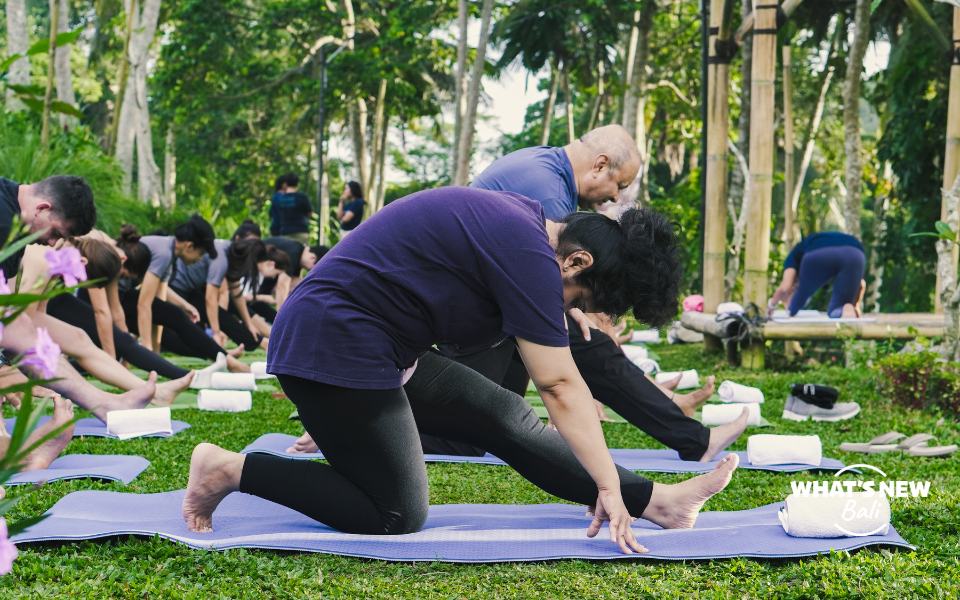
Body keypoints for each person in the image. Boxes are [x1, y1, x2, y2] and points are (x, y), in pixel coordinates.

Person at [181, 187, 739, 555]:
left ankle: (659, 502)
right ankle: (228, 470)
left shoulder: (526, 232)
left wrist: (567, 304)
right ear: (575, 261)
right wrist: (606, 485)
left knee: (503, 414)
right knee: (397, 511)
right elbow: (560, 385)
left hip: (381, 348)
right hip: (334, 345)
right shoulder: (525, 249)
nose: (568, 304)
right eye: (579, 294)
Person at [18, 241, 195, 404]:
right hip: (12, 317)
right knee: (70, 341)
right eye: (80, 281)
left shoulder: (57, 262)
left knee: (79, 338)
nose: (75, 284)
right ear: (83, 262)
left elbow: (39, 314)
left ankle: (155, 392)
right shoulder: (44, 259)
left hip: (18, 314)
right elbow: (22, 327)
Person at [114, 222, 251, 374]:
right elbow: (144, 305)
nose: (200, 259)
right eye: (200, 254)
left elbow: (159, 303)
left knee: (175, 315)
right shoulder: (164, 253)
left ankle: (224, 358)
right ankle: (227, 360)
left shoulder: (169, 251)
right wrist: (148, 349)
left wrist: (183, 304)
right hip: (113, 296)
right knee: (175, 318)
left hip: (122, 294)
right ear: (189, 246)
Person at [471, 124, 641, 221]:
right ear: (600, 166)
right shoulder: (552, 198)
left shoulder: (543, 157)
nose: (616, 197)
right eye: (619, 186)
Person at [0, 175, 97, 278]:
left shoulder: (7, 189)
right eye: (55, 233)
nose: (52, 243)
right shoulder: (4, 227)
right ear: (42, 208)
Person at [768, 231, 867, 319]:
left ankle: (791, 310)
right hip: (856, 253)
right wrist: (854, 303)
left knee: (799, 298)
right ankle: (847, 308)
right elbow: (861, 284)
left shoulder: (794, 255)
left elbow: (785, 287)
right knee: (839, 306)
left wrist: (772, 306)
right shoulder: (813, 242)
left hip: (817, 254)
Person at [260, 236, 326, 309]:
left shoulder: (299, 253)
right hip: (254, 278)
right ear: (313, 257)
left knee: (299, 284)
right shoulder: (294, 253)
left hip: (261, 282)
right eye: (312, 269)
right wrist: (281, 312)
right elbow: (282, 285)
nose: (309, 270)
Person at [269, 174, 313, 244]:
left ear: (286, 184)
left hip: (285, 231)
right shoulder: (302, 197)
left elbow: (273, 214)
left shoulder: (279, 198)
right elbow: (310, 213)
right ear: (298, 184)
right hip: (301, 231)